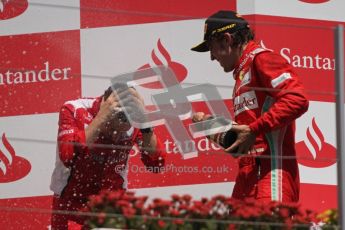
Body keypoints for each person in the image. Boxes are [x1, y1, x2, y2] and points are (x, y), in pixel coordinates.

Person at [191, 10, 309, 203]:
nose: (212, 57)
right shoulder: (242, 73)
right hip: (248, 176)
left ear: (226, 40)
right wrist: (215, 127)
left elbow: (297, 99)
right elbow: (248, 136)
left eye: (211, 48)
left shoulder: (262, 59)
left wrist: (254, 129)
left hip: (271, 175)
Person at [50, 86, 165, 229]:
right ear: (106, 109)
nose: (116, 135)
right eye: (112, 128)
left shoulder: (133, 121)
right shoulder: (74, 109)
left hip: (112, 205)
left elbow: (157, 164)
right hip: (72, 203)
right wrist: (100, 119)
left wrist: (145, 125)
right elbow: (68, 156)